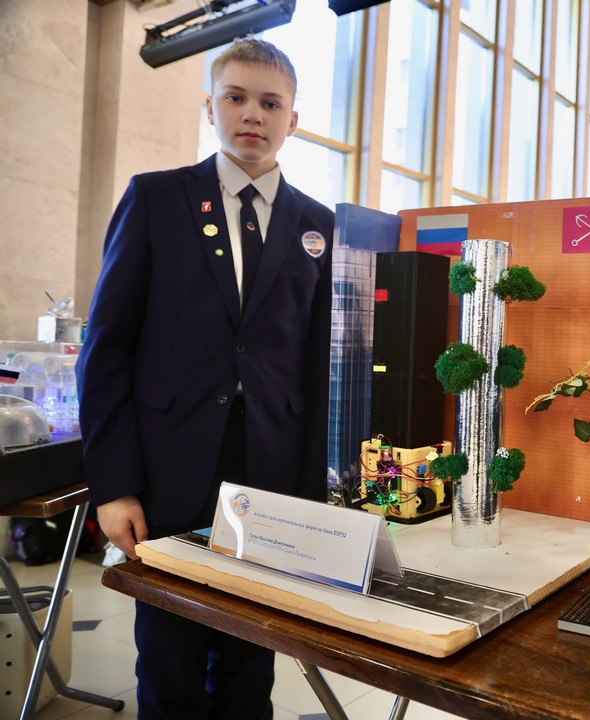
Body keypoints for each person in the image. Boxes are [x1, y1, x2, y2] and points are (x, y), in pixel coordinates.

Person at [76, 39, 333, 719]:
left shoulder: (317, 224)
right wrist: (114, 486)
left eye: (270, 103)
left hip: (270, 470)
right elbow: (106, 350)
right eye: (236, 97)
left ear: (292, 120)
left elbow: (314, 366)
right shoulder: (156, 198)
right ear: (210, 107)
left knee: (250, 665)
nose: (253, 114)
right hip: (169, 465)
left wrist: (313, 499)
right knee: (171, 666)